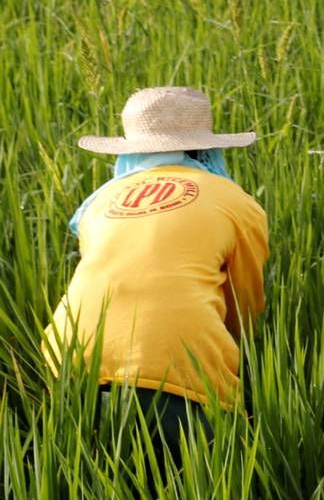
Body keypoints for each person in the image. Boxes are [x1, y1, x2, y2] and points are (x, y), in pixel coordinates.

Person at [43, 86, 269, 460]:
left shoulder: (99, 202)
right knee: (206, 487)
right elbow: (243, 306)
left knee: (91, 485)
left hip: (69, 361)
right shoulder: (236, 203)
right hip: (179, 361)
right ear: (206, 148)